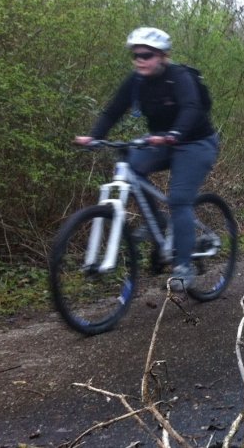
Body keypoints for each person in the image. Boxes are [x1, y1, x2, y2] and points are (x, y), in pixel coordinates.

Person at [74, 27, 219, 291]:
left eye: (147, 54)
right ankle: (158, 225)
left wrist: (175, 133)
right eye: (136, 54)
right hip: (162, 141)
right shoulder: (136, 81)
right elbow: (112, 111)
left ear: (163, 55)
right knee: (130, 168)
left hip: (196, 143)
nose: (140, 59)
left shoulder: (179, 77)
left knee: (178, 199)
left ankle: (183, 266)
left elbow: (191, 108)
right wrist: (93, 137)